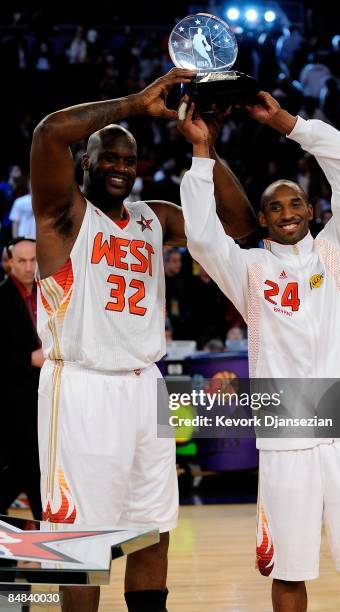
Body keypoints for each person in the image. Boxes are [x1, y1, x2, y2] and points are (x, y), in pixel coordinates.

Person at [30, 67, 255, 612]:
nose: (120, 167)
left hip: (144, 385)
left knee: (152, 527)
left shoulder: (154, 218)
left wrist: (205, 149)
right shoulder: (65, 215)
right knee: (78, 542)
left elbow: (241, 224)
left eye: (129, 160)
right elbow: (47, 134)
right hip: (81, 386)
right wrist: (136, 104)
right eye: (109, 156)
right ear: (84, 162)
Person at [178, 93, 340, 611]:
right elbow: (204, 239)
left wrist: (288, 124)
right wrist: (202, 154)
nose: (287, 213)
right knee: (289, 569)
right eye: (274, 207)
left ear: (312, 210)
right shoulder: (249, 269)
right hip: (286, 423)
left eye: (295, 203)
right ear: (264, 217)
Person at [0, 237, 44, 520]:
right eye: (22, 261)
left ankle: (55, 542)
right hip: (15, 401)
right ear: (9, 264)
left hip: (50, 396)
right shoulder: (1, 300)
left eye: (33, 260)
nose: (29, 267)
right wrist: (29, 359)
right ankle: (56, 544)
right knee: (29, 468)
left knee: (36, 469)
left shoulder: (50, 292)